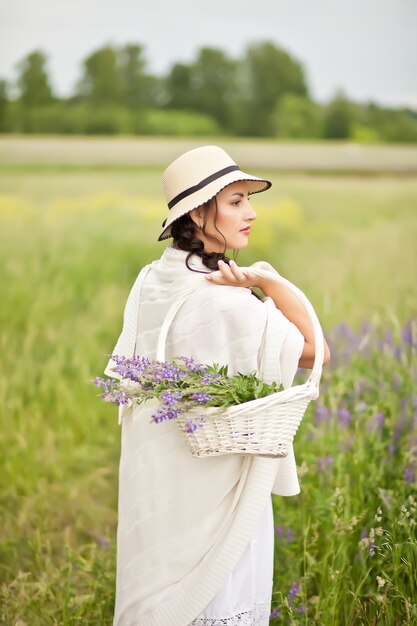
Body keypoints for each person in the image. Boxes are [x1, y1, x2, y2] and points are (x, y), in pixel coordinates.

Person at [104, 145, 331, 626]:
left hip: (162, 483)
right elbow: (318, 353)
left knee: (163, 592)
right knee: (218, 594)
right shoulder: (224, 300)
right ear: (198, 212)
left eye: (249, 199)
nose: (251, 212)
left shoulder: (153, 278)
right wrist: (269, 282)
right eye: (235, 201)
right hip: (216, 491)